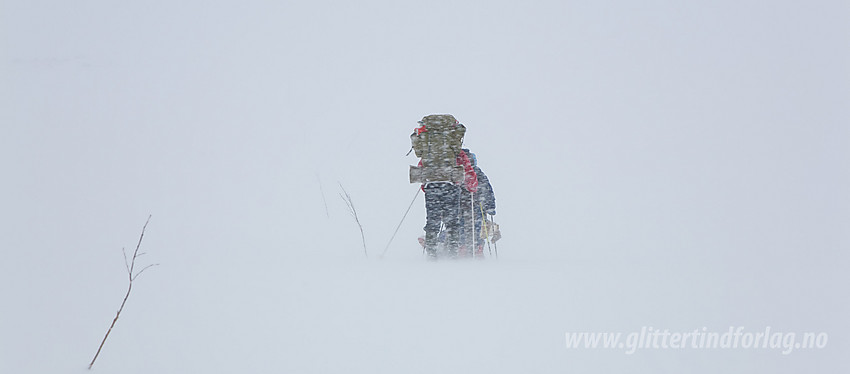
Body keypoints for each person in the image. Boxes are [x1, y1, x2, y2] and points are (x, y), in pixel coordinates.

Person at [409, 115, 478, 259]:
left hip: (431, 186)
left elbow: (421, 164)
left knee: (432, 220)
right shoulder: (454, 149)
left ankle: (432, 254)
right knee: (452, 222)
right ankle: (452, 255)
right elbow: (469, 172)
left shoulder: (428, 149)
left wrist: (427, 186)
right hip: (451, 186)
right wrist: (471, 187)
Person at [458, 149, 497, 258]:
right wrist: (490, 207)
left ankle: (463, 246)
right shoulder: (479, 174)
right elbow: (488, 190)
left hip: (463, 205)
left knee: (462, 226)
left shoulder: (459, 172)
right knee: (477, 227)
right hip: (478, 205)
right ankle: (477, 246)